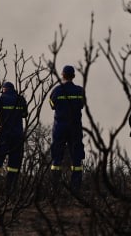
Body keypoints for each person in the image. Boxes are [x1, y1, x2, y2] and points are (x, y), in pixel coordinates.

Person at [49, 65, 86, 193]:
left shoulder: (57, 91)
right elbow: (82, 105)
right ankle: (76, 189)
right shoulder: (80, 91)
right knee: (76, 158)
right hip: (75, 127)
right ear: (74, 76)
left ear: (62, 75)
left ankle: (54, 188)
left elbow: (52, 105)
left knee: (56, 158)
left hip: (60, 127)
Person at [0, 81, 28, 191]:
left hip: (4, 135)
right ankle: (10, 189)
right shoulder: (21, 99)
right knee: (14, 164)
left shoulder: (2, 99)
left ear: (4, 89)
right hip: (18, 136)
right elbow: (25, 114)